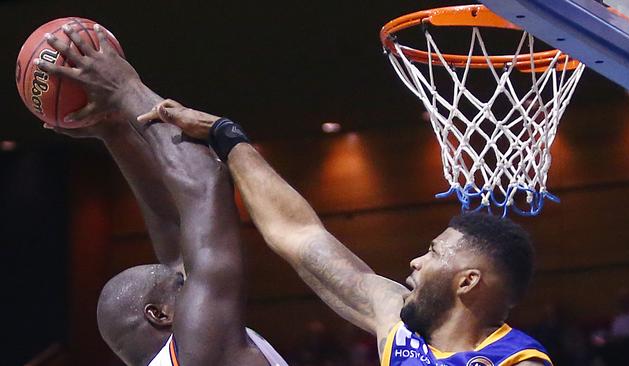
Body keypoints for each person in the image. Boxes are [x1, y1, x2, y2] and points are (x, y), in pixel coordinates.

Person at [137, 102, 553, 365]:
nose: (415, 261)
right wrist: (225, 136)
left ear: (467, 281)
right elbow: (300, 235)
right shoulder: (398, 322)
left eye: (433, 253)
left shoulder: (516, 360)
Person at [36, 24, 287, 366]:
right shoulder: (201, 348)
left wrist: (115, 132)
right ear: (159, 314)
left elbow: (174, 226)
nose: (190, 275)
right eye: (182, 285)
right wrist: (126, 89)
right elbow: (204, 185)